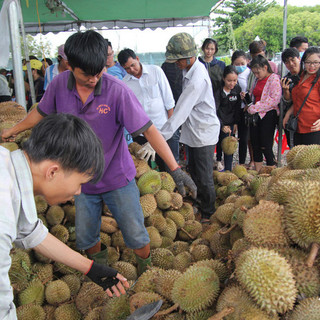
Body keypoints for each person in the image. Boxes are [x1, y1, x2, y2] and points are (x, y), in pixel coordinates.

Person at [2, 30, 196, 275]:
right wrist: (14, 129)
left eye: (99, 72)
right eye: (87, 74)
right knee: (86, 235)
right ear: (70, 65)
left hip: (117, 177)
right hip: (79, 182)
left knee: (136, 233)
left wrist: (176, 168)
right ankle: (101, 274)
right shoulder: (59, 85)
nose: (94, 79)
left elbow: (149, 130)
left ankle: (146, 272)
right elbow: (41, 112)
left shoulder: (117, 90)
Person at [0, 113, 129, 320]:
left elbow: (32, 232)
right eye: (79, 183)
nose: (78, 192)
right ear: (53, 172)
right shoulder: (3, 211)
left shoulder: (8, 167)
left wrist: (90, 268)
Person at [161, 32, 220, 222]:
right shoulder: (188, 70)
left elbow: (180, 112)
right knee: (193, 171)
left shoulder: (197, 78)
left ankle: (209, 212)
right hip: (194, 132)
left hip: (203, 133)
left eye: (177, 60)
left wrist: (159, 137)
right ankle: (199, 202)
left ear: (188, 58)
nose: (176, 64)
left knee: (204, 176)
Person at [118, 48, 175, 171]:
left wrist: (170, 130)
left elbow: (169, 103)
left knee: (169, 168)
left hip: (163, 131)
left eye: (133, 65)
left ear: (137, 59)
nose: (131, 70)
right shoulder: (125, 84)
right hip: (142, 135)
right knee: (145, 170)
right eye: (127, 68)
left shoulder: (156, 71)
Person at [247, 55, 282, 172]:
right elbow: (254, 96)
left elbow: (274, 100)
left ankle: (271, 171)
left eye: (258, 72)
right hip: (255, 117)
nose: (256, 75)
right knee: (255, 144)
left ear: (265, 67)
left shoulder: (274, 79)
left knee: (266, 145)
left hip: (268, 116)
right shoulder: (257, 80)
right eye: (254, 73)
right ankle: (259, 172)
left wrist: (256, 108)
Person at [283, 47, 320, 146]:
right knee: (298, 158)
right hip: (298, 125)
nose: (312, 66)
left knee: (313, 160)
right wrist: (288, 114)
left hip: (314, 127)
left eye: (316, 62)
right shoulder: (301, 76)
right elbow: (298, 99)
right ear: (303, 62)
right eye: (308, 62)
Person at [215, 65, 242, 172]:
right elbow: (215, 110)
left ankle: (228, 170)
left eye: (234, 80)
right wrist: (221, 125)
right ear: (223, 79)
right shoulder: (218, 92)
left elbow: (237, 108)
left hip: (231, 122)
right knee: (219, 144)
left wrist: (235, 123)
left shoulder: (237, 90)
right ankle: (218, 161)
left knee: (229, 146)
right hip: (219, 121)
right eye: (229, 80)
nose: (232, 83)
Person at [231, 50, 253, 167]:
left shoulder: (250, 74)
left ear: (247, 61)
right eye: (237, 64)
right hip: (234, 110)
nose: (240, 66)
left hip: (245, 109)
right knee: (231, 139)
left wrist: (247, 100)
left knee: (244, 138)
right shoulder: (231, 75)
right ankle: (229, 162)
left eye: (242, 63)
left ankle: (242, 162)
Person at [161, 61, 183, 163]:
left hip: (181, 103)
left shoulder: (189, 67)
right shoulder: (165, 66)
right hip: (169, 107)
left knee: (175, 136)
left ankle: (176, 164)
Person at [280, 47, 301, 148]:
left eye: (293, 60)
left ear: (299, 58)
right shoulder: (286, 79)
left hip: (308, 116)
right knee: (294, 147)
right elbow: (288, 102)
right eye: (287, 62)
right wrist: (286, 91)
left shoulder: (308, 75)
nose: (291, 64)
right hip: (293, 119)